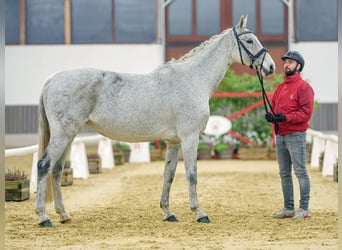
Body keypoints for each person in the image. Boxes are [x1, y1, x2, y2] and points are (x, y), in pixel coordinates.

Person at [265, 51, 314, 219]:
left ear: (298, 66)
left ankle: (304, 209)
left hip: (296, 135)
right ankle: (288, 208)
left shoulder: (304, 87)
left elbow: (306, 113)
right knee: (284, 173)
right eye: (286, 62)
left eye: (290, 62)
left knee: (300, 172)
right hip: (281, 135)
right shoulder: (281, 88)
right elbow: (275, 107)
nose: (286, 64)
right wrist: (272, 117)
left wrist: (286, 117)